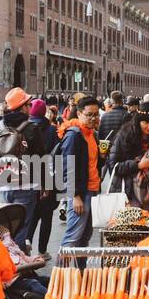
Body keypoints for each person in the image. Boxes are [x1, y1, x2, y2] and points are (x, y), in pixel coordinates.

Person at [0, 87, 48, 252]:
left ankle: (10, 262)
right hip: (26, 185)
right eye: (28, 104)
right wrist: (45, 185)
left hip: (3, 185)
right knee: (22, 228)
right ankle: (21, 268)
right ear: (23, 106)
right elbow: (41, 158)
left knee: (6, 229)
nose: (30, 107)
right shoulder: (31, 128)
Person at [57, 96, 102, 261]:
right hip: (81, 194)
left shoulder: (92, 134)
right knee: (72, 238)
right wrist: (75, 196)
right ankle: (59, 279)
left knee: (84, 238)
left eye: (96, 114)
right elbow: (67, 167)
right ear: (79, 114)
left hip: (93, 190)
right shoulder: (73, 135)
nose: (93, 118)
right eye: (89, 114)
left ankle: (81, 276)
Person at [107, 108, 149, 210]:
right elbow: (114, 166)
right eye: (145, 122)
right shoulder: (124, 136)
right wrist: (138, 165)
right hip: (129, 193)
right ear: (138, 121)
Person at [26, 98, 60, 256]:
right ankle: (42, 250)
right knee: (46, 216)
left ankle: (27, 242)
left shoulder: (25, 128)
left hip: (30, 176)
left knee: (32, 213)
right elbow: (57, 154)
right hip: (49, 176)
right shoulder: (53, 130)